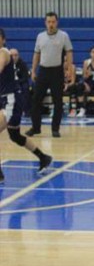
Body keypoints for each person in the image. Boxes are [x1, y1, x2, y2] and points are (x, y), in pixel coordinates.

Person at [0, 28, 52, 184]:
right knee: (14, 135)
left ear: (3, 39)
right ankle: (44, 157)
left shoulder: (3, 52)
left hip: (11, 100)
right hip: (4, 99)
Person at [26, 12, 73, 138]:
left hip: (57, 72)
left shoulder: (64, 36)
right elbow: (36, 54)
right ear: (45, 23)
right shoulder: (40, 36)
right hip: (43, 71)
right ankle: (36, 128)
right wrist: (34, 70)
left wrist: (68, 69)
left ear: (56, 22)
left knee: (58, 102)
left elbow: (69, 53)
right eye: (49, 22)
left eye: (53, 22)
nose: (51, 24)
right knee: (36, 100)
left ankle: (55, 129)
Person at [9, 49, 31, 117]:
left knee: (25, 87)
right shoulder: (5, 63)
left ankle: (26, 111)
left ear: (18, 56)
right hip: (8, 84)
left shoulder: (22, 64)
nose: (14, 57)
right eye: (12, 55)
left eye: (16, 55)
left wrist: (17, 82)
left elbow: (25, 77)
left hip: (19, 83)